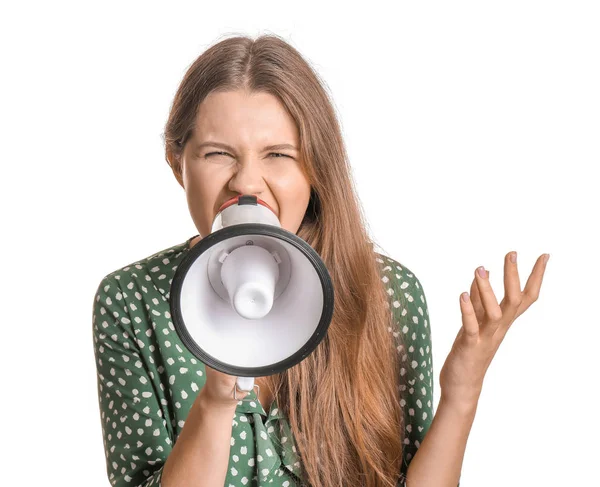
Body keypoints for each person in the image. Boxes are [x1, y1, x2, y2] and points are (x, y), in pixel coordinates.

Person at [92, 34, 549, 487]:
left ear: (315, 167)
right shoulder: (131, 301)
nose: (247, 181)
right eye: (218, 154)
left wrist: (463, 389)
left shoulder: (388, 295)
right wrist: (216, 398)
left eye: (278, 155)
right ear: (178, 164)